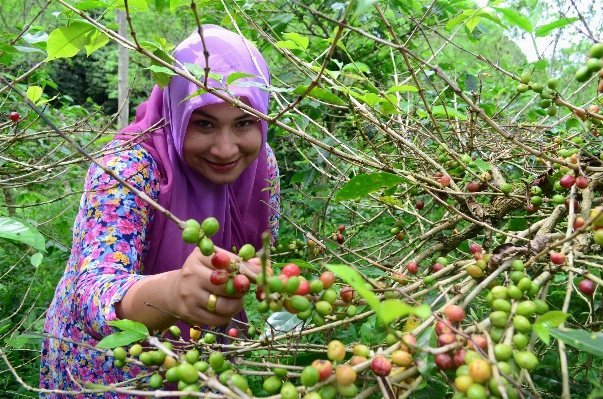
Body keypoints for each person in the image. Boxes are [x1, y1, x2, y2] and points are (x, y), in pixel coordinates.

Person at [39, 25, 280, 398]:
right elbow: (89, 293)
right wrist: (172, 293)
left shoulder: (262, 168)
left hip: (200, 358)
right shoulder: (128, 168)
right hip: (109, 370)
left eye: (244, 122)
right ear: (174, 111)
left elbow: (260, 255)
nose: (226, 149)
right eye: (204, 123)